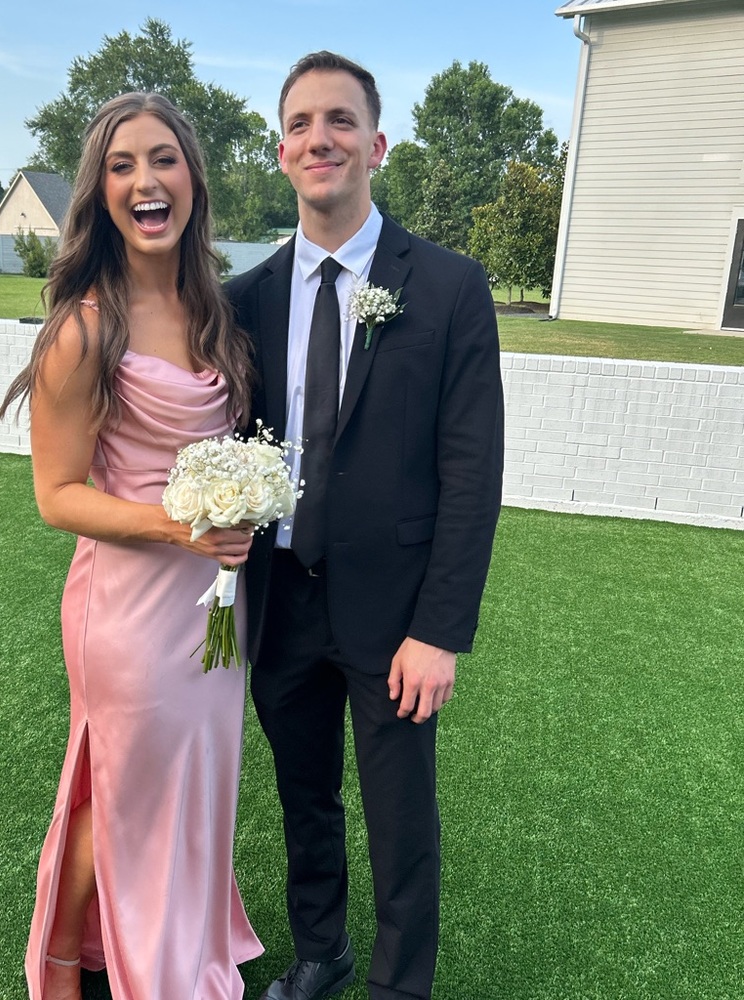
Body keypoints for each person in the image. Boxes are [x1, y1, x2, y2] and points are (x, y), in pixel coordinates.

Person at [226, 52, 504, 1000]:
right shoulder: (247, 298)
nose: (321, 139)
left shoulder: (450, 287)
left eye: (340, 121)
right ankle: (322, 950)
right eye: (301, 125)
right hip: (282, 603)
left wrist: (440, 630)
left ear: (376, 145)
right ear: (281, 153)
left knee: (400, 814)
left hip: (396, 616)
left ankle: (398, 983)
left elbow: (472, 473)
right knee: (304, 798)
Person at [0, 92, 263, 1000]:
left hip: (213, 609)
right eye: (121, 166)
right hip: (127, 612)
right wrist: (181, 527)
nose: (145, 180)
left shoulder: (215, 311)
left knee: (193, 780)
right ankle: (61, 958)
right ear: (100, 193)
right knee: (119, 785)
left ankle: (175, 941)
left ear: (193, 178)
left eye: (163, 159)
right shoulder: (85, 329)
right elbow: (56, 496)